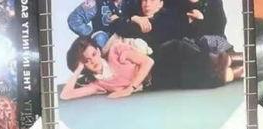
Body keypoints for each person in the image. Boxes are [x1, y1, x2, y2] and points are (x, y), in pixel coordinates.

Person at [60, 32, 240, 103]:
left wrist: (129, 89)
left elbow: (148, 62)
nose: (93, 60)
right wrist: (78, 69)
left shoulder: (115, 51)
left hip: (163, 58)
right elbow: (66, 95)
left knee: (201, 60)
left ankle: (231, 59)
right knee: (207, 79)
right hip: (158, 81)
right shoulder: (98, 85)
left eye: (93, 54)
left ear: (99, 51)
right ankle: (238, 69)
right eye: (86, 61)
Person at [68, 0, 134, 49]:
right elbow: (74, 20)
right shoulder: (96, 2)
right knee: (100, 38)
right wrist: (91, 34)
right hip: (104, 48)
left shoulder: (132, 3)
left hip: (127, 44)